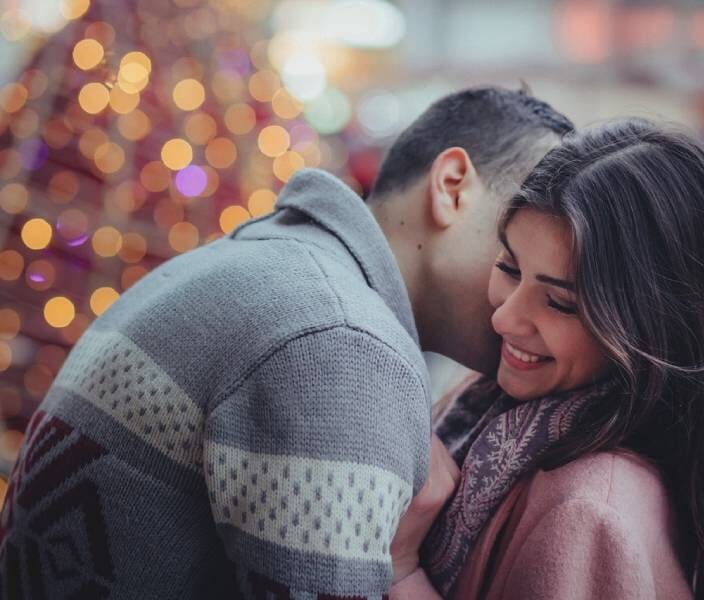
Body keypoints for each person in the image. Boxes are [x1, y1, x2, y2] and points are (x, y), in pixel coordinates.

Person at [0, 87, 573, 598]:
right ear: (452, 187)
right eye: (516, 243)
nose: (534, 290)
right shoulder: (339, 341)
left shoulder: (271, 263)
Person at [389, 118, 704, 600]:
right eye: (510, 268)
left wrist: (401, 569)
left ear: (652, 326)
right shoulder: (496, 409)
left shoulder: (591, 510)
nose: (505, 320)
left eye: (561, 303)